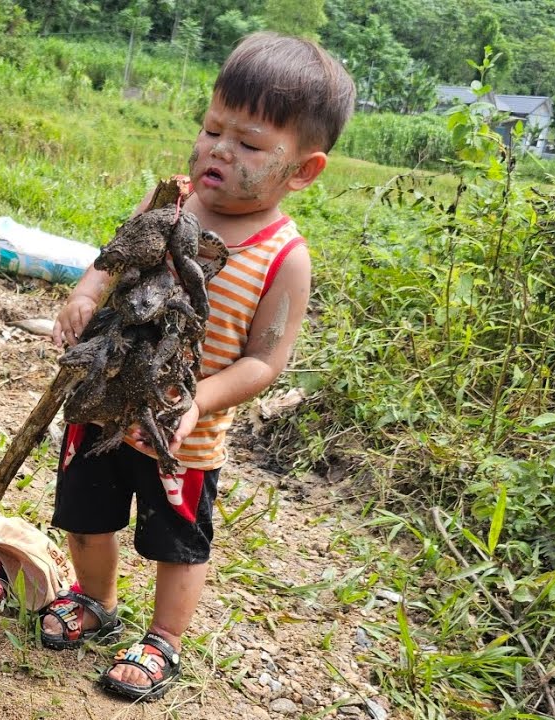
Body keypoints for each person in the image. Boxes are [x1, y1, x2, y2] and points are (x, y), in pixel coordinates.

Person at [41, 31, 356, 701]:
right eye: (213, 129)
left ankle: (164, 638)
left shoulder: (283, 257)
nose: (220, 149)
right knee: (85, 515)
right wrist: (85, 295)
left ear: (303, 170)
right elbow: (113, 260)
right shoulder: (169, 203)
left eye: (249, 144)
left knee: (175, 541)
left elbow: (265, 362)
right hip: (104, 401)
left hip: (184, 434)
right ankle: (95, 599)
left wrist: (198, 401)